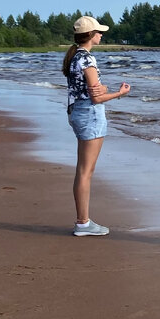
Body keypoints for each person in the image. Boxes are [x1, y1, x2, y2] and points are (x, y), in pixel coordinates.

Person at [62, 15, 130, 236]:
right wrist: (120, 93)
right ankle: (83, 223)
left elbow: (91, 90)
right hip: (89, 115)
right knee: (85, 171)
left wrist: (102, 87)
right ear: (90, 35)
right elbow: (96, 97)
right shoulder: (87, 60)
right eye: (99, 32)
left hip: (78, 112)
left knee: (83, 170)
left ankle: (83, 221)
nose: (102, 34)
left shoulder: (75, 58)